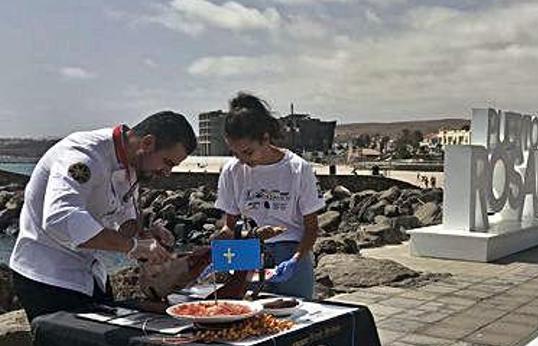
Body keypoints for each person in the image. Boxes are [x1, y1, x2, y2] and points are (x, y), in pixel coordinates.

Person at [10, 112, 195, 321]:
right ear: (148, 142)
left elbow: (124, 218)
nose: (167, 172)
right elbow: (60, 218)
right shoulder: (83, 155)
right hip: (49, 278)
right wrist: (132, 246)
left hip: (91, 276)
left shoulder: (131, 163)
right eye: (167, 162)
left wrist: (144, 237)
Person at [214, 93, 324, 299]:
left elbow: (311, 227)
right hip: (247, 252)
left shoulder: (298, 168)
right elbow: (231, 226)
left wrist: (295, 260)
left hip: (291, 252)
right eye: (235, 153)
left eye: (248, 152)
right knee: (242, 318)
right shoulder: (231, 171)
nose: (242, 160)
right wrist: (217, 254)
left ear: (265, 138)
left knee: (295, 319)